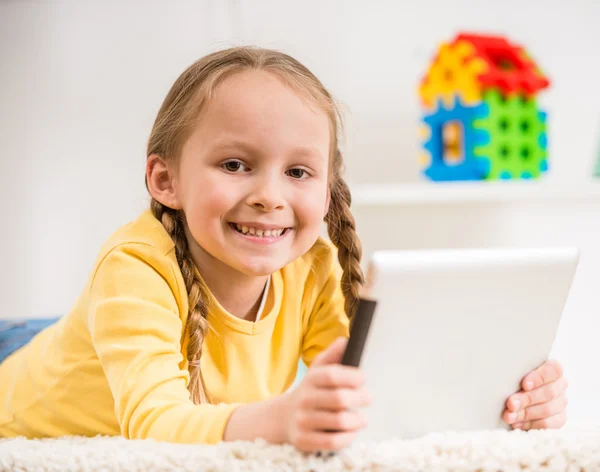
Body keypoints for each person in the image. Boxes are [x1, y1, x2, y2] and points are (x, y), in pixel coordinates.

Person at [0, 47, 568, 451]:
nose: (270, 197)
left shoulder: (311, 263)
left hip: (96, 338)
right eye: (234, 164)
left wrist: (511, 402)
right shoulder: (135, 268)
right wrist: (278, 418)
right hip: (21, 375)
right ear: (164, 179)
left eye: (297, 171)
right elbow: (153, 425)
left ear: (327, 185)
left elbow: (378, 391)